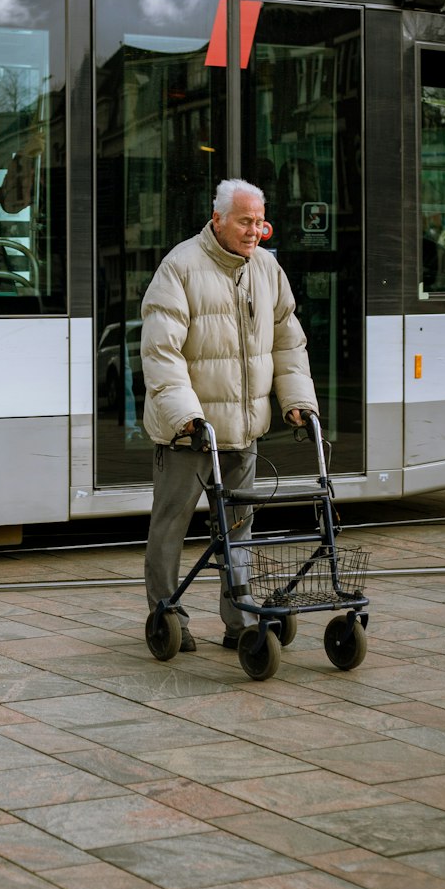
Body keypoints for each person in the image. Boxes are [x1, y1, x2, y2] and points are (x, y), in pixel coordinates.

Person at [141, 178, 319, 651]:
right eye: (245, 221)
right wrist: (186, 415)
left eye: (259, 222)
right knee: (171, 524)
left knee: (238, 530)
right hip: (190, 433)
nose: (254, 231)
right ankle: (166, 610)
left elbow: (288, 341)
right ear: (217, 218)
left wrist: (298, 401)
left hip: (244, 431)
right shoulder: (179, 268)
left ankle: (239, 618)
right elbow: (161, 352)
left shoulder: (267, 269)